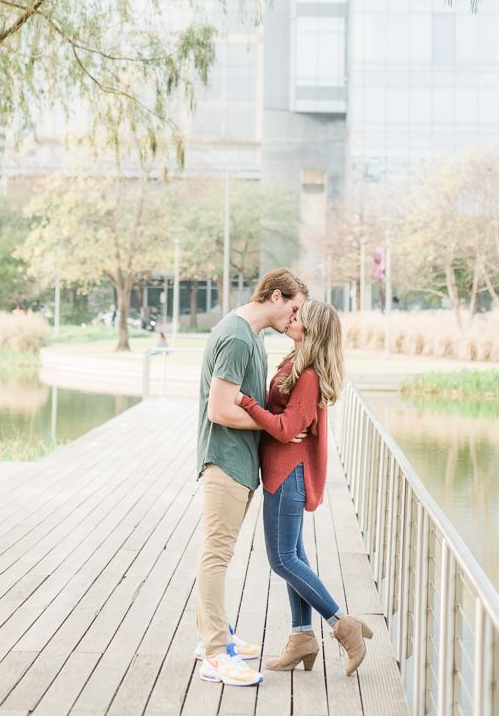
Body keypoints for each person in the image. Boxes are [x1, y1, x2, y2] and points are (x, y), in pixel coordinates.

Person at [236, 298, 373, 676]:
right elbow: (283, 422)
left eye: (299, 317)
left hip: (288, 474)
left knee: (283, 559)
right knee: (294, 557)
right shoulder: (293, 363)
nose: (291, 318)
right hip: (280, 471)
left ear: (311, 330)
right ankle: (301, 637)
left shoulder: (309, 376)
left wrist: (246, 402)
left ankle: (342, 625)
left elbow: (284, 428)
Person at [195, 268, 309, 688]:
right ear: (276, 296)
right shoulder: (239, 337)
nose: (294, 318)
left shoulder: (252, 336)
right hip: (224, 461)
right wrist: (275, 425)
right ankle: (213, 653)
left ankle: (214, 634)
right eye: (293, 308)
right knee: (216, 554)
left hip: (239, 463)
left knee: (217, 552)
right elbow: (220, 409)